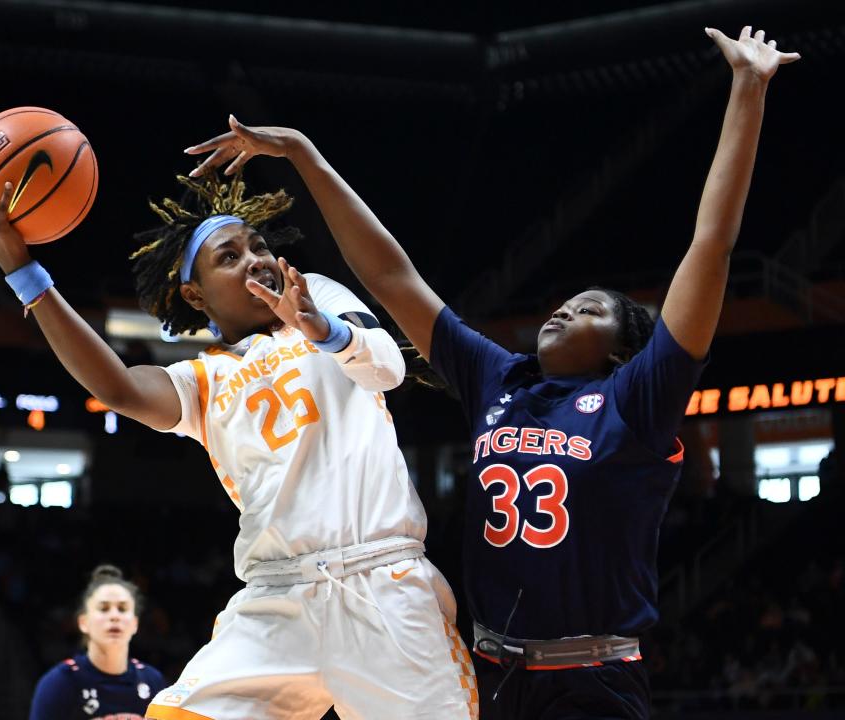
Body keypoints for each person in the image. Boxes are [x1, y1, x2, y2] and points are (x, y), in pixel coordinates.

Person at [185, 25, 799, 719]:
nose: (566, 309)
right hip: (497, 672)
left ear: (623, 353)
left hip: (593, 677)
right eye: (567, 301)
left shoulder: (638, 398)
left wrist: (747, 90)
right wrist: (303, 154)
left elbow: (711, 245)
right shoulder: (498, 379)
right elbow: (390, 276)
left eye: (590, 309)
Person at [0, 155, 477, 718]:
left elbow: (386, 369)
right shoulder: (201, 380)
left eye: (257, 246)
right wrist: (21, 268)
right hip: (278, 603)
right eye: (229, 257)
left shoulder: (316, 296)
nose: (255, 260)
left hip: (384, 588)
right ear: (196, 296)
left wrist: (320, 328)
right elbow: (120, 390)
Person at [29, 564, 166, 719]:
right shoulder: (58, 682)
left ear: (135, 624)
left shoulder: (153, 680)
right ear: (83, 623)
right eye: (103, 608)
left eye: (122, 608)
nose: (115, 616)